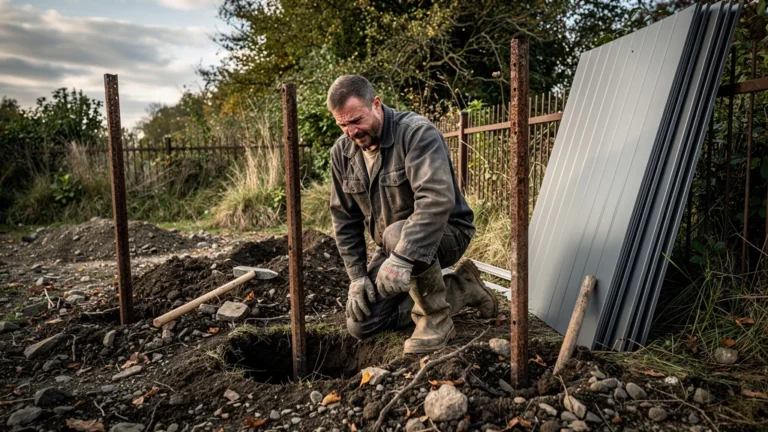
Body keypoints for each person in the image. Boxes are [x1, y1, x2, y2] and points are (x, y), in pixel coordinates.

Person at [327, 75, 498, 354]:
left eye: (357, 120)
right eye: (343, 124)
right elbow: (344, 220)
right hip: (393, 246)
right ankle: (462, 288)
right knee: (362, 324)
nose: (352, 131)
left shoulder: (416, 133)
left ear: (377, 105)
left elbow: (436, 199)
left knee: (397, 234)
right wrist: (357, 277)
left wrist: (404, 256)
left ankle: (436, 320)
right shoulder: (341, 154)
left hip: (447, 232)